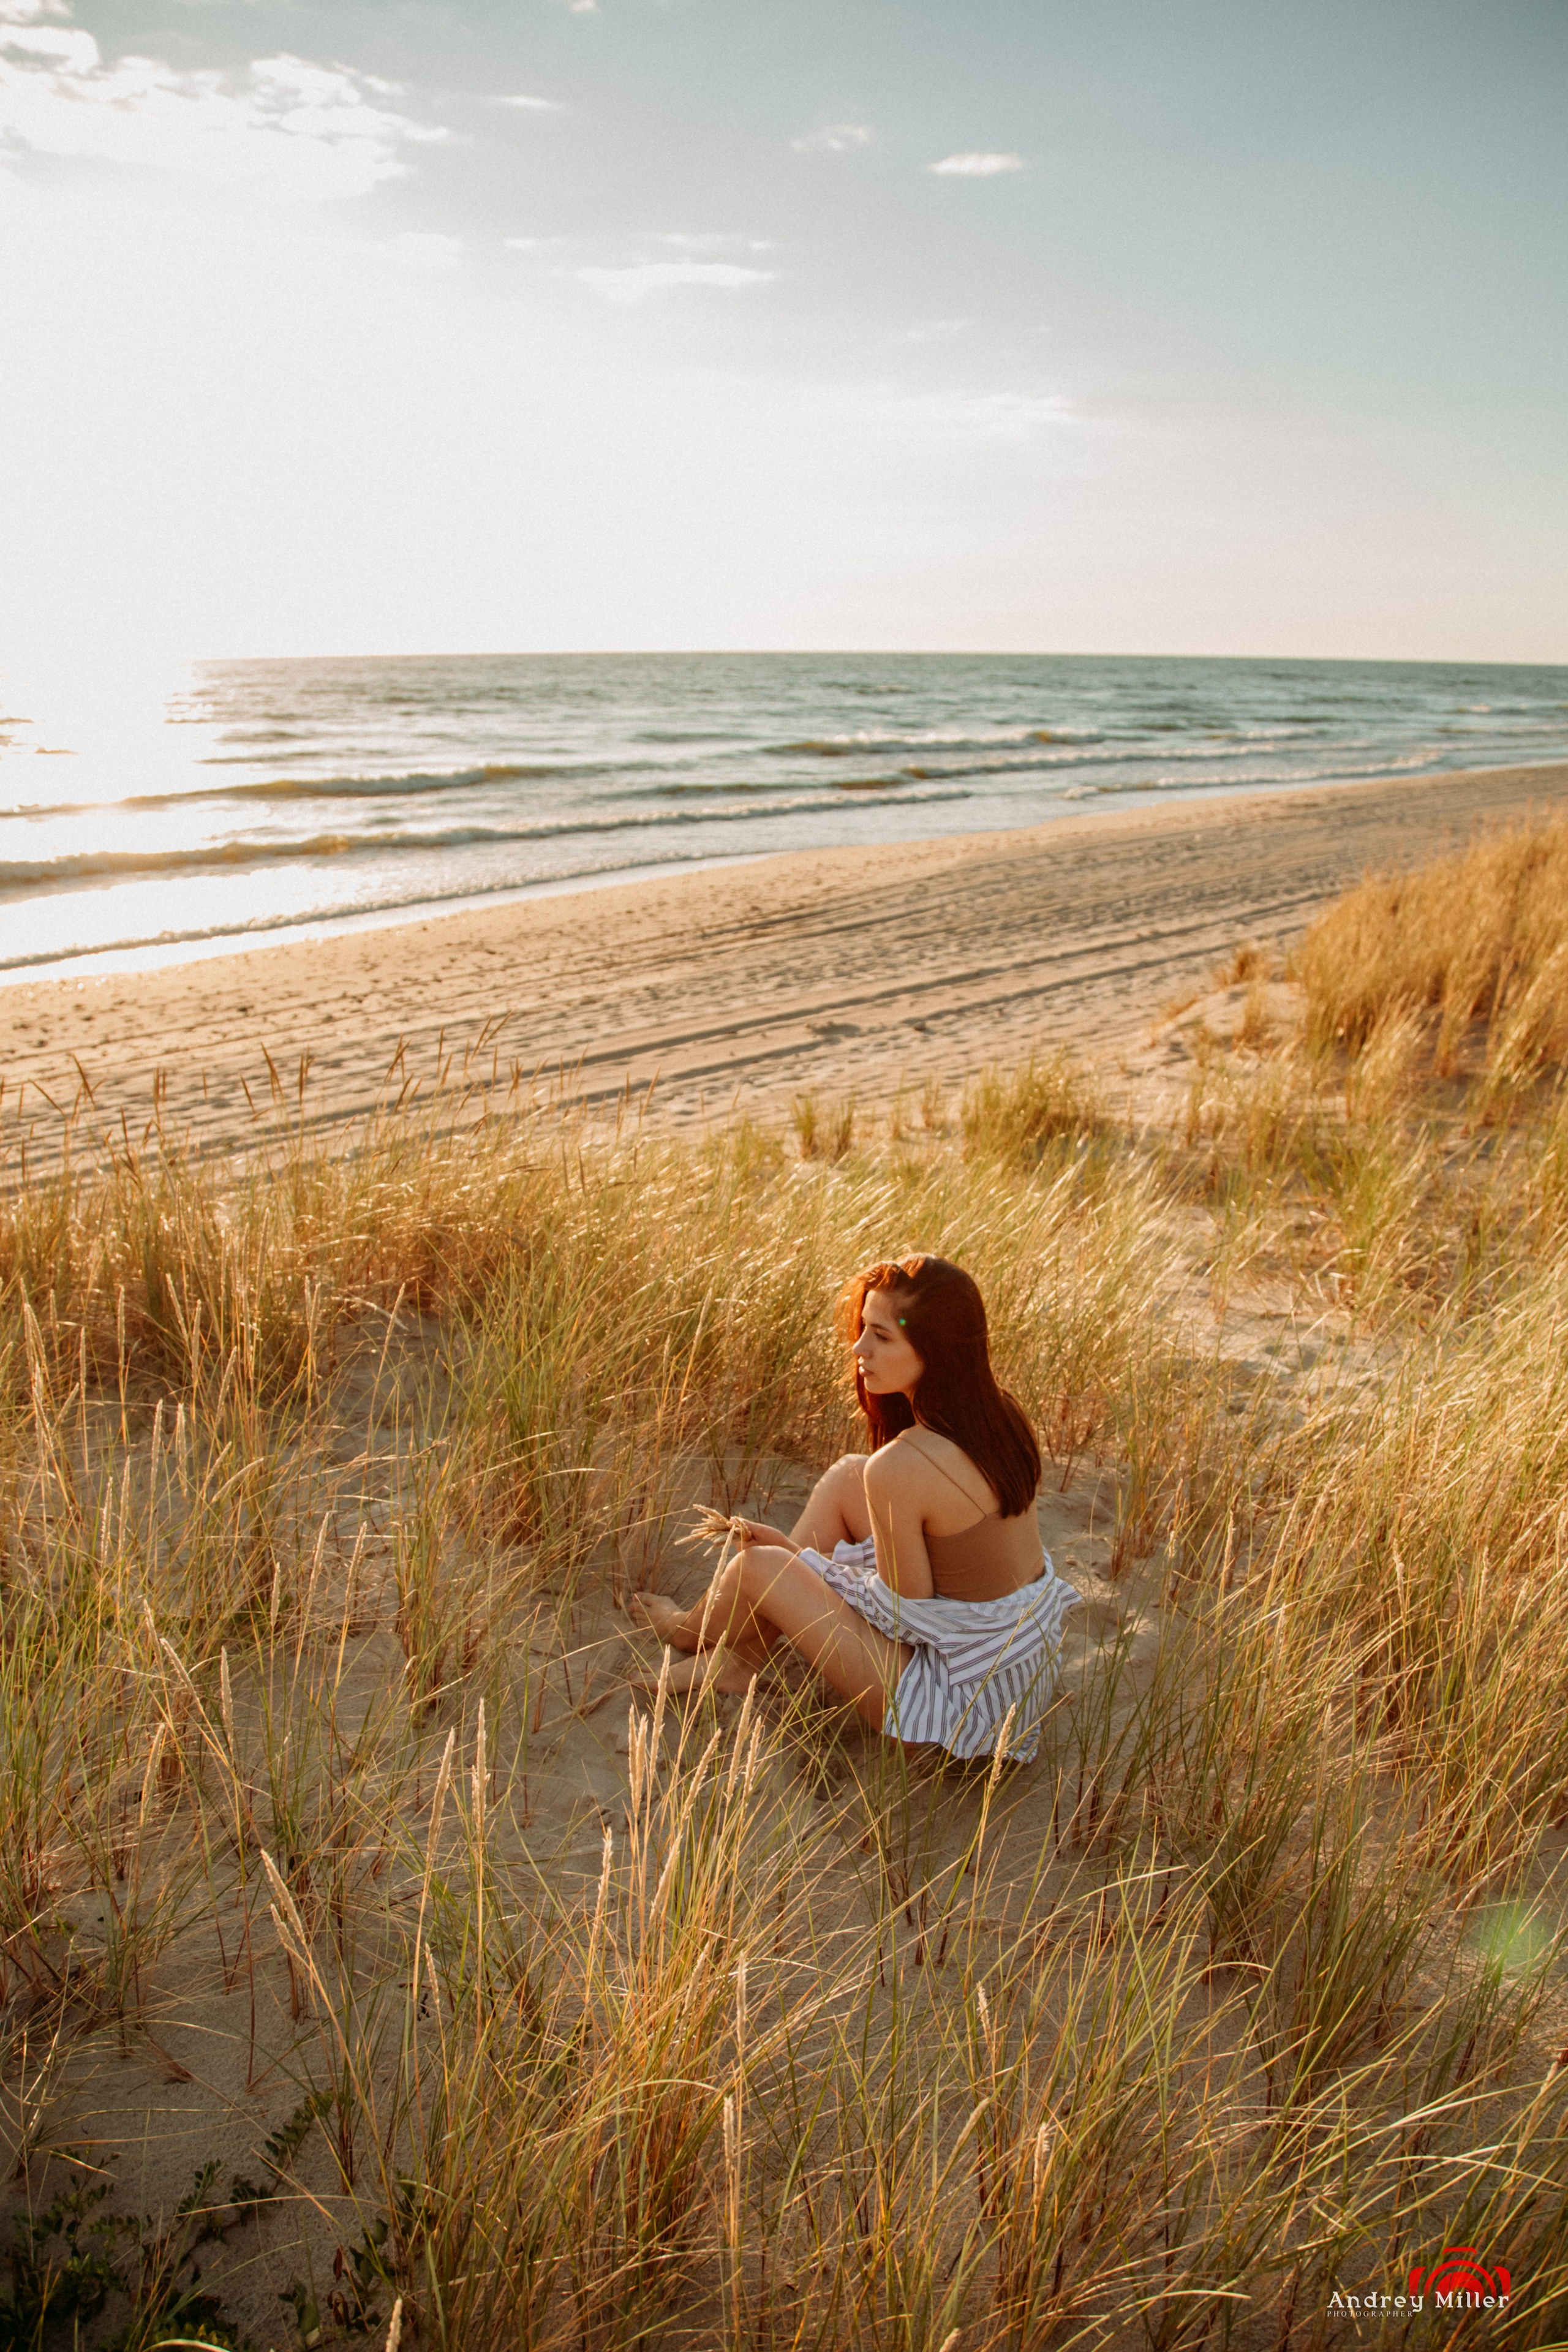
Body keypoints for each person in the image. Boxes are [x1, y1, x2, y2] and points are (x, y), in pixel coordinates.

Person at [630, 1253, 1079, 1762]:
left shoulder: (902, 1467)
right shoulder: (1001, 1413)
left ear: (937, 1352)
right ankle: (741, 1658)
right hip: (1015, 1675)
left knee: (761, 1566)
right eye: (864, 1327)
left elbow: (901, 1620)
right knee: (848, 1476)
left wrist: (800, 1564)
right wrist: (810, 1570)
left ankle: (686, 1632)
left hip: (955, 1719)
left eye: (882, 1337)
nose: (859, 1348)